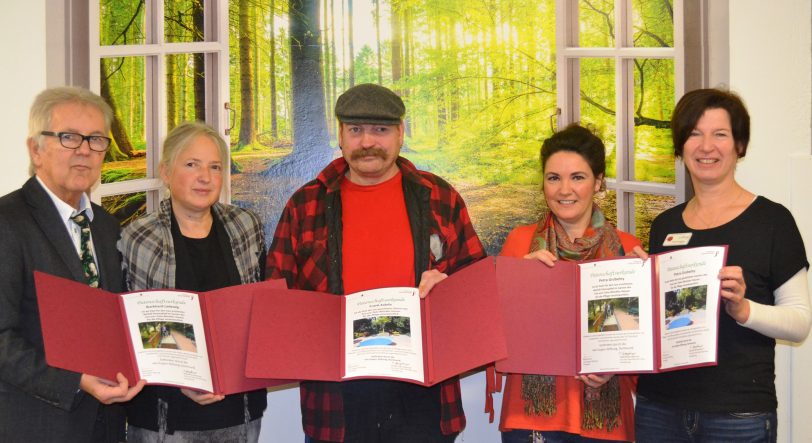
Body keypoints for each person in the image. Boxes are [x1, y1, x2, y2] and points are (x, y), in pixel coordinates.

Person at [266, 83, 486, 442]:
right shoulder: (304, 205)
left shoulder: (440, 197)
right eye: (355, 130)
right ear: (340, 136)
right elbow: (275, 299)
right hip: (336, 405)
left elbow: (478, 290)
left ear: (400, 134)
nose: (367, 142)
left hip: (425, 397)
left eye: (380, 130)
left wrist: (453, 292)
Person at [633, 88, 811, 442]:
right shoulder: (665, 225)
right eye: (694, 134)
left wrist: (744, 309)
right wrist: (637, 290)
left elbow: (799, 323)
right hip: (659, 408)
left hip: (737, 414)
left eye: (720, 134)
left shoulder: (773, 221)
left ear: (739, 145)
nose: (706, 146)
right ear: (681, 146)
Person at [0, 86, 145, 442]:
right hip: (36, 426)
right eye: (69, 137)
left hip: (106, 426)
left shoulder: (107, 226)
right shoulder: (7, 221)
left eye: (96, 139)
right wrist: (74, 382)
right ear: (36, 149)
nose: (84, 149)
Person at [489, 124, 640, 443]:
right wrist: (519, 284)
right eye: (554, 178)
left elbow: (639, 344)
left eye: (578, 177)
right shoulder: (520, 242)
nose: (564, 189)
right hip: (530, 418)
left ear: (598, 182)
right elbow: (493, 331)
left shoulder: (627, 248)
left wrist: (615, 366)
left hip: (605, 422)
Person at [120, 122, 268, 442]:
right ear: (166, 171)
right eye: (191, 164)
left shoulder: (245, 225)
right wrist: (183, 376)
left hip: (239, 412)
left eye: (215, 167)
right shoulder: (138, 237)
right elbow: (130, 325)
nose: (205, 177)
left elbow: (262, 312)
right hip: (163, 417)